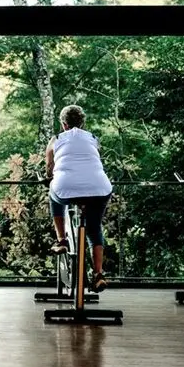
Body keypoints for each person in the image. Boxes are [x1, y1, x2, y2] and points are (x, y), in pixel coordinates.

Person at [45, 105, 112, 293]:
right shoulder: (93, 138)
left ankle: (61, 241)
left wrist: (50, 174)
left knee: (53, 192)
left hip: (66, 188)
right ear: (83, 123)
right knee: (94, 227)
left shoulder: (56, 139)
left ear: (63, 124)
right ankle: (98, 274)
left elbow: (49, 166)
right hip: (99, 187)